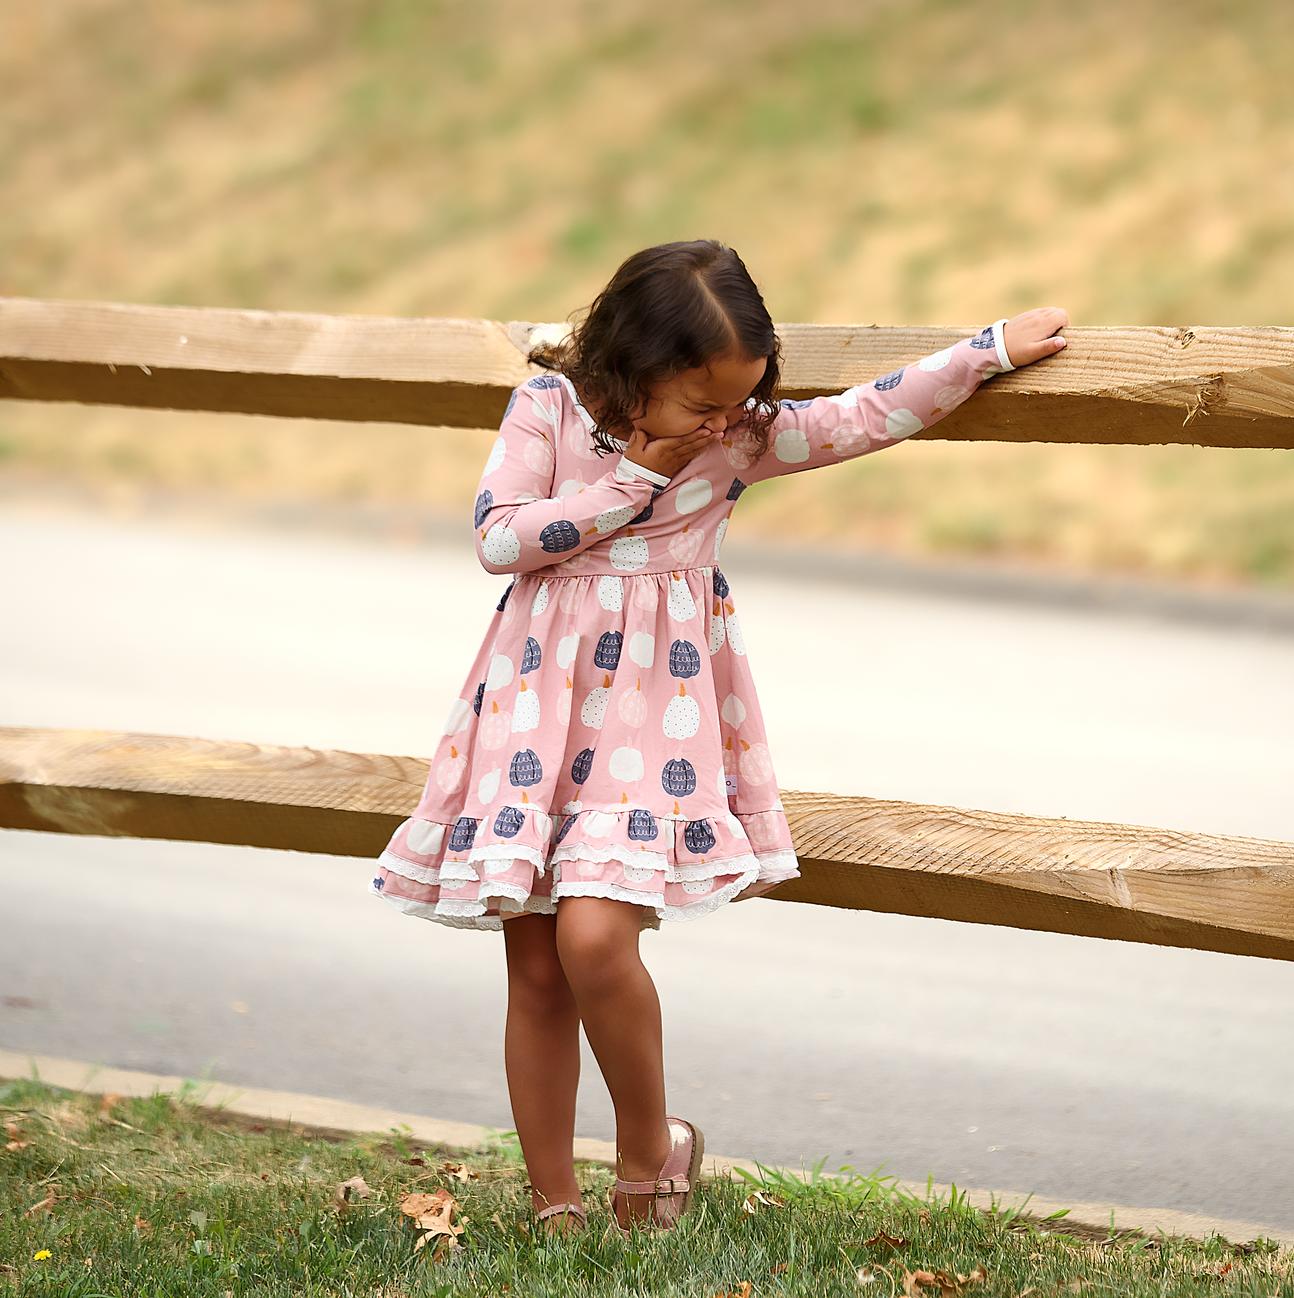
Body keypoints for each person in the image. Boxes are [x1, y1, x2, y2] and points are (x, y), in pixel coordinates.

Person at [374, 241, 1067, 1232]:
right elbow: (499, 537)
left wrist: (983, 349)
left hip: (651, 716)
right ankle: (551, 1203)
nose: (722, 421)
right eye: (700, 403)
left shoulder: (732, 440)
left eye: (737, 401)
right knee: (533, 965)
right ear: (629, 367)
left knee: (594, 936)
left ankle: (647, 1155)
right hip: (533, 712)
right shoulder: (548, 412)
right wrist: (635, 480)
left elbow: (862, 415)